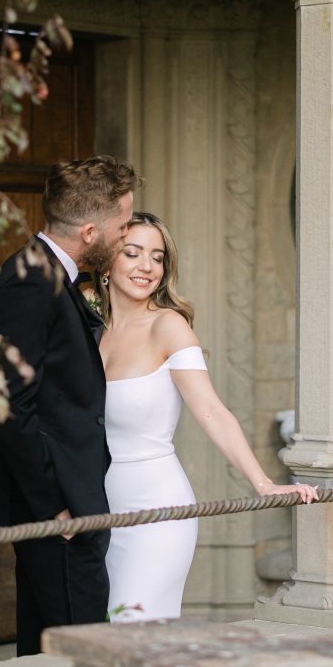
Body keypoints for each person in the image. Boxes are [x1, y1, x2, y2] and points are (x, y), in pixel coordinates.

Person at [94, 211, 318, 622]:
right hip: (100, 510)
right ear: (108, 261)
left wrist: (263, 482)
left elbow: (212, 410)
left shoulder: (169, 326)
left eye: (157, 257)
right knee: (106, 634)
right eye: (133, 253)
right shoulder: (90, 329)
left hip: (158, 510)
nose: (147, 266)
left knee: (133, 629)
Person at [0, 156, 142, 655]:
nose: (127, 233)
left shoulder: (51, 274)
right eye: (124, 224)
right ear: (91, 231)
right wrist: (55, 506)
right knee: (78, 653)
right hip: (60, 512)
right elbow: (8, 402)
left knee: (46, 648)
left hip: (69, 503)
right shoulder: (29, 279)